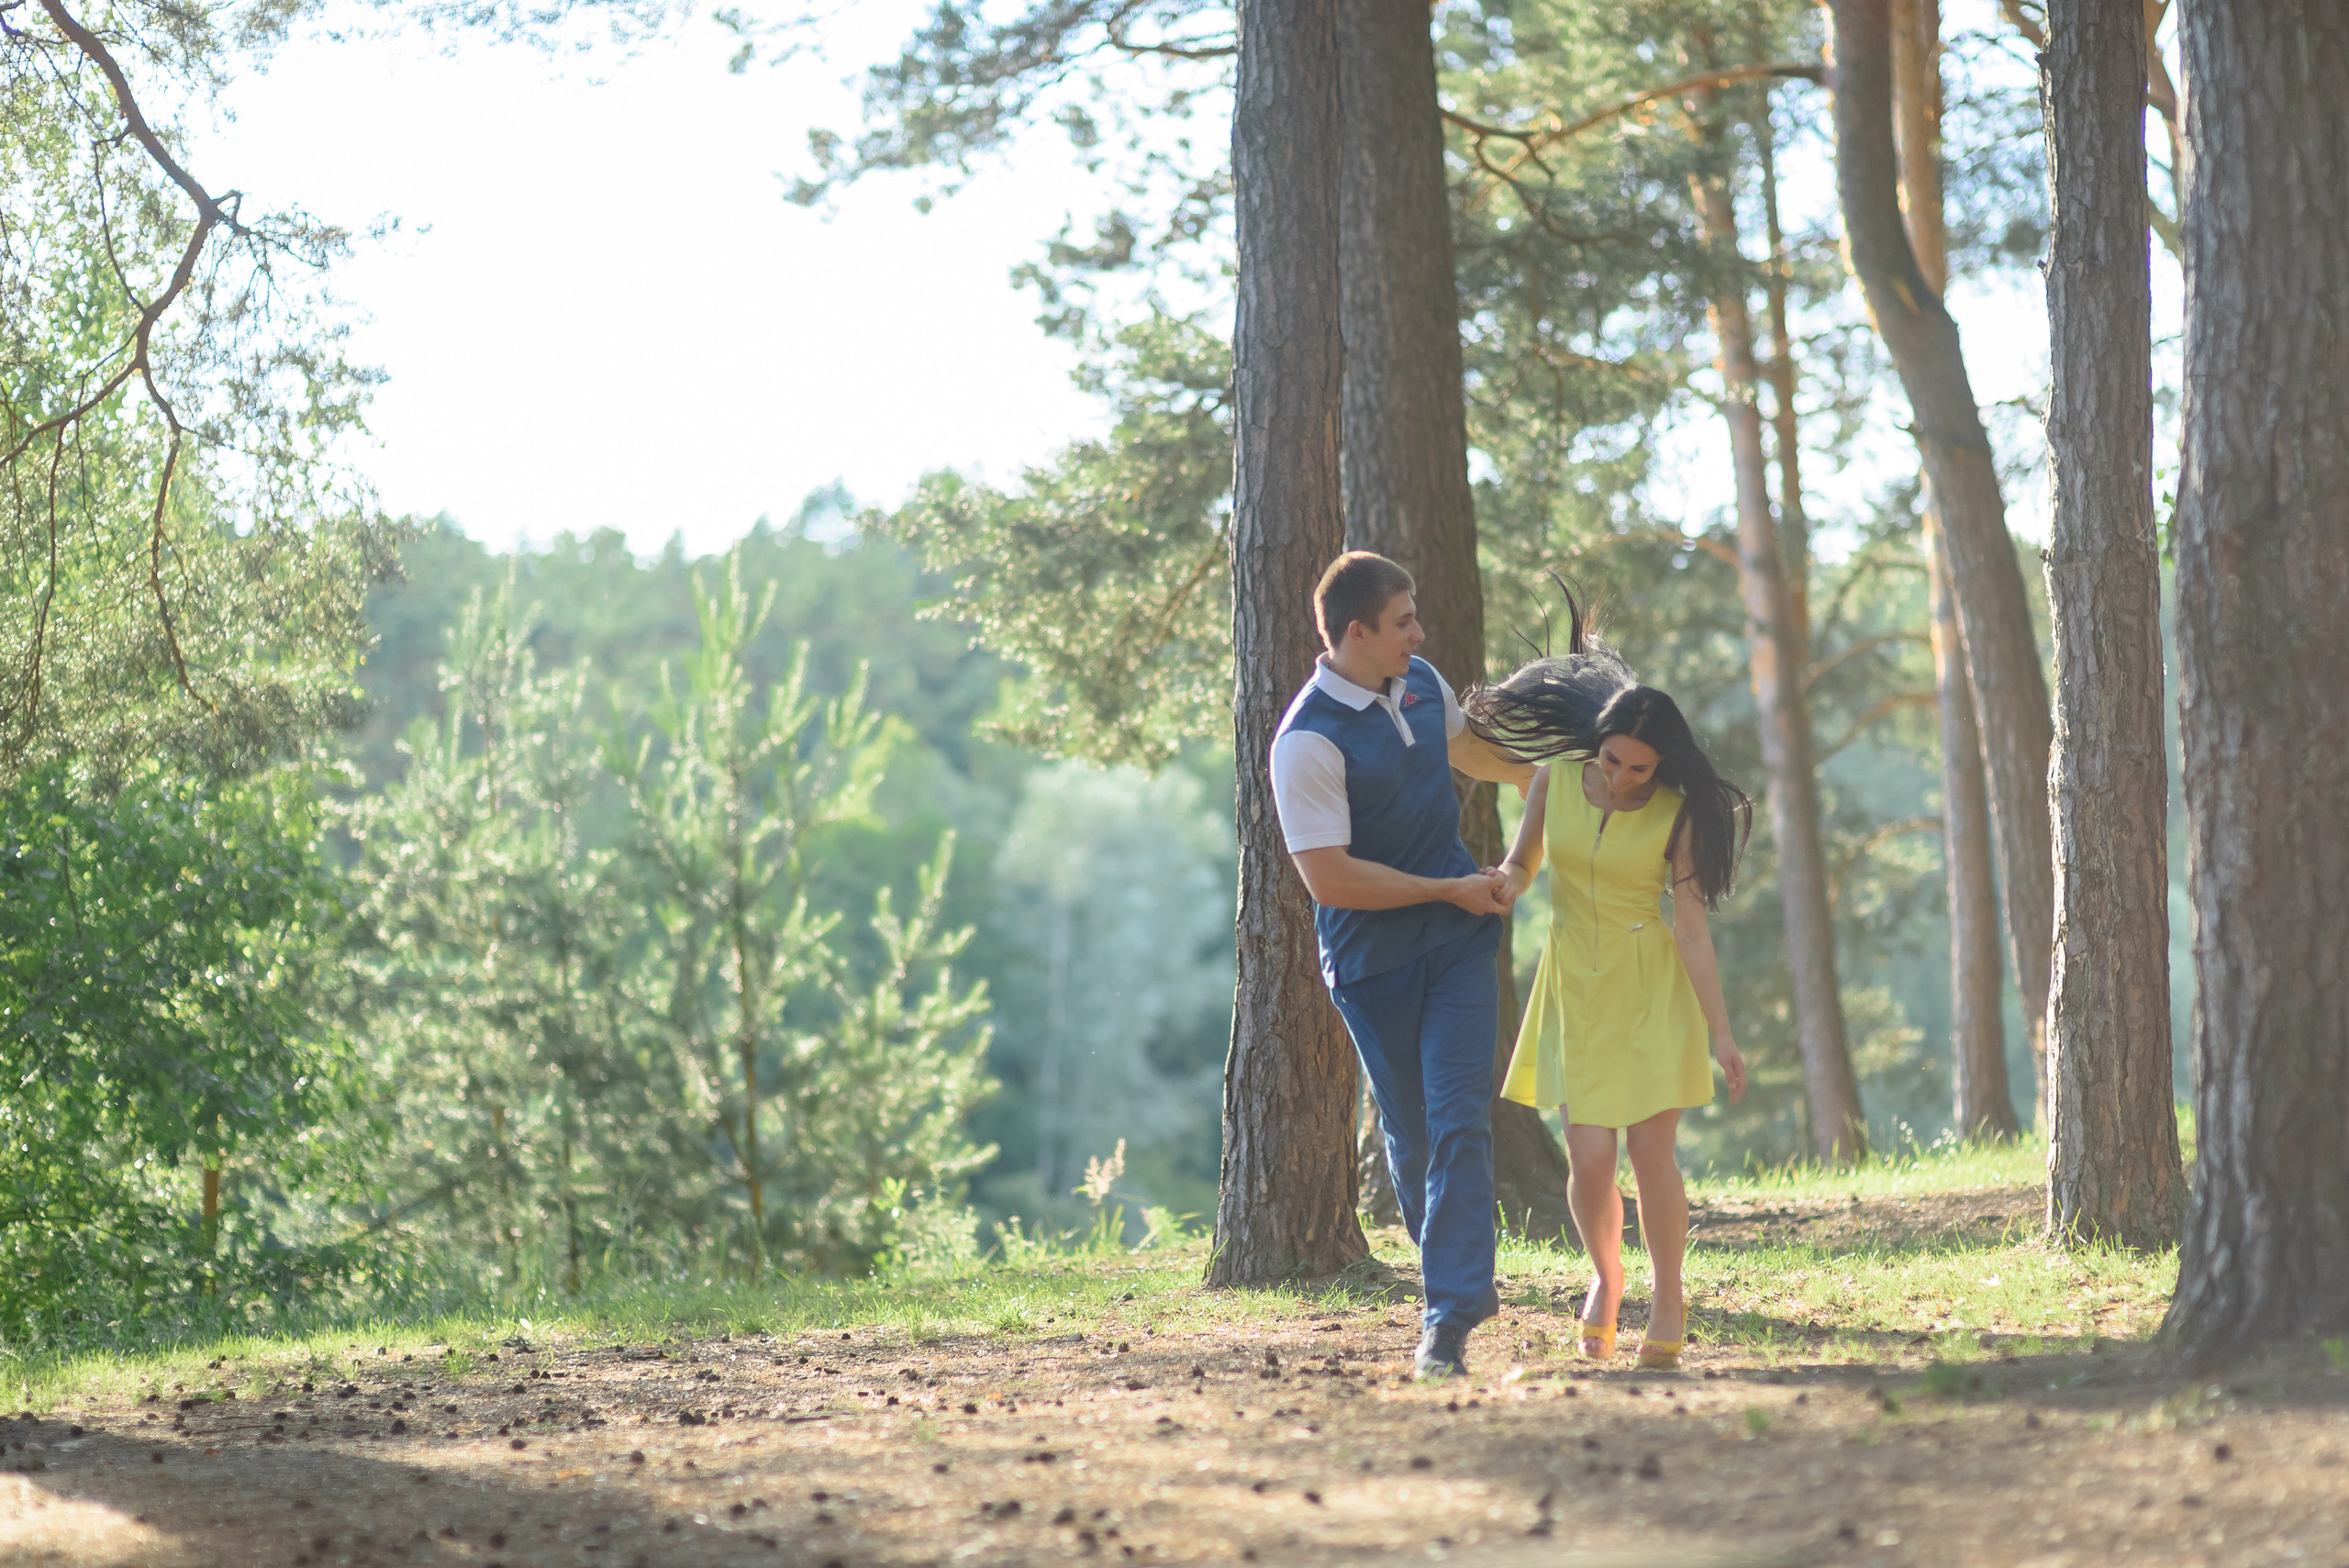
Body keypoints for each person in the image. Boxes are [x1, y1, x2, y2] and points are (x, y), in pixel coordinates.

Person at [1467, 594, 1750, 1371]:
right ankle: (1606, 1274)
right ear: (1598, 743)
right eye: (1613, 758)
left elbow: (1690, 927)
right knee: (1589, 1156)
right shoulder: (1558, 776)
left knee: (1651, 1153)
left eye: (1639, 768)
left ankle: (1668, 1292)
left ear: (1661, 765)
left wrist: (1721, 1032)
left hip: (1647, 982)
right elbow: (1524, 860)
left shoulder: (1676, 814)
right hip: (1572, 982)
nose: (1621, 777)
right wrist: (1506, 883)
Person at [1269, 551, 1531, 1380]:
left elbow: (1485, 759)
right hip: (1373, 964)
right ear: (1357, 632)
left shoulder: (1421, 681)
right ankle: (1455, 1281)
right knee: (1413, 1137)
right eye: (1404, 621)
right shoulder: (1306, 739)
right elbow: (1331, 877)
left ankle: (1447, 1317)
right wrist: (1447, 887)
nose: (1420, 633)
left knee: (1458, 1118)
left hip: (1458, 945)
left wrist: (1549, 781)